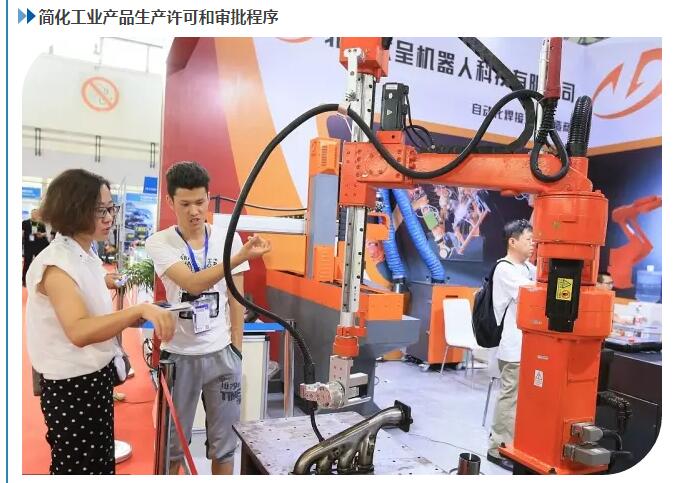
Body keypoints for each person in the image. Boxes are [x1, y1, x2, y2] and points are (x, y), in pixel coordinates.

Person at [25, 169, 177, 475]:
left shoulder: (84, 252)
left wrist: (109, 283)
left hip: (92, 378)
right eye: (100, 210)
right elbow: (79, 330)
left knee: (98, 462)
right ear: (74, 209)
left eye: (111, 208)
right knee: (78, 467)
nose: (109, 218)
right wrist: (138, 310)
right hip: (71, 386)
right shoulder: (56, 263)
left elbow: (86, 294)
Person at [145, 161, 271, 475]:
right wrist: (237, 258)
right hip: (179, 358)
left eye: (200, 202)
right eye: (185, 203)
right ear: (170, 201)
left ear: (208, 197)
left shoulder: (229, 238)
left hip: (222, 356)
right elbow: (191, 283)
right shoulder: (159, 242)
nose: (194, 211)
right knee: (171, 446)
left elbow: (236, 297)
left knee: (225, 445)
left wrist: (236, 349)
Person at [487, 219, 536, 471]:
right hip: (513, 347)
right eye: (529, 239)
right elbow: (535, 293)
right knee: (510, 398)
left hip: (529, 346)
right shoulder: (505, 269)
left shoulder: (527, 267)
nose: (533, 244)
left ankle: (516, 445)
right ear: (513, 241)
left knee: (521, 400)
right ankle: (497, 449)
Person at [22, 209, 50, 286]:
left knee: (38, 263)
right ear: (31, 214)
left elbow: (45, 233)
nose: (34, 214)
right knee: (27, 262)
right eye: (33, 213)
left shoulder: (41, 223)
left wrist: (42, 234)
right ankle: (24, 280)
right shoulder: (25, 222)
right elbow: (22, 232)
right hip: (28, 245)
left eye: (36, 213)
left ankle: (37, 280)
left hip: (39, 245)